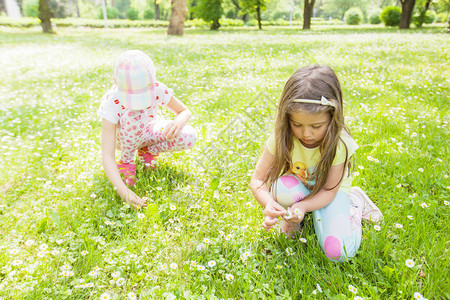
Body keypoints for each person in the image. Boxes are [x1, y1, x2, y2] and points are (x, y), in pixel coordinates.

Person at [250, 65, 382, 262]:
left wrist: (303, 207)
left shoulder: (340, 144)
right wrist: (268, 203)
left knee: (338, 253)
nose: (307, 134)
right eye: (297, 125)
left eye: (316, 126)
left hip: (331, 193)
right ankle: (294, 222)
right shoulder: (281, 136)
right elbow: (258, 180)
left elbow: (329, 190)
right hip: (298, 189)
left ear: (333, 117)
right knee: (280, 187)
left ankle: (354, 204)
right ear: (287, 119)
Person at [99, 50, 197, 208]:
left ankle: (147, 151)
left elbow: (184, 111)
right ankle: (127, 161)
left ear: (153, 82)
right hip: (124, 140)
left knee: (189, 136)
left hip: (147, 132)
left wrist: (177, 123)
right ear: (115, 82)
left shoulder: (157, 88)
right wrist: (123, 191)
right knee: (135, 116)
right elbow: (107, 155)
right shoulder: (112, 101)